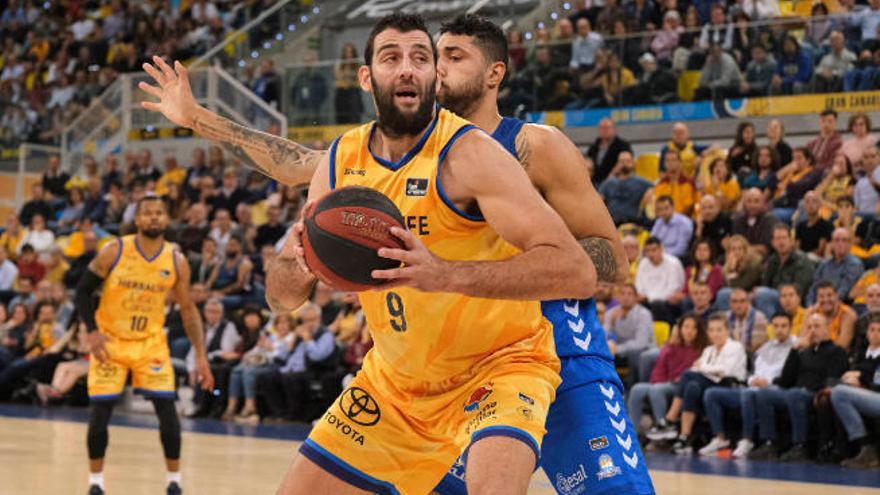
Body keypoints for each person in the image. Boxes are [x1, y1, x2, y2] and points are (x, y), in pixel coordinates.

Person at [142, 13, 607, 495]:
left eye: (420, 58)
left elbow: (575, 270)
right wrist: (298, 267)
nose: (407, 68)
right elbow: (280, 300)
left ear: (434, 76)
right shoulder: (343, 161)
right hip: (396, 383)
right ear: (366, 78)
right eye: (391, 58)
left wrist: (442, 274)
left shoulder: (472, 155)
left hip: (500, 367)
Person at [74, 195, 214, 495]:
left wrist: (201, 356)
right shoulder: (114, 250)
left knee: (168, 410)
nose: (153, 218)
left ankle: (173, 481)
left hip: (150, 343)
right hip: (110, 342)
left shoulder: (176, 260)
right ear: (137, 219)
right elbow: (82, 292)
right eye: (147, 213)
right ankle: (96, 483)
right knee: (100, 414)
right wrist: (92, 331)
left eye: (159, 213)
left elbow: (188, 311)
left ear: (166, 219)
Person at [749, 313, 849, 462]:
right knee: (764, 394)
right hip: (794, 392)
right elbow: (785, 380)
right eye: (809, 327)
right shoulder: (804, 352)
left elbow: (833, 379)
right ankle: (769, 443)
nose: (812, 331)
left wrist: (808, 389)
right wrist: (794, 350)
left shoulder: (837, 351)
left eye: (817, 326)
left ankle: (800, 446)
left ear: (827, 328)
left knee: (795, 394)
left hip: (814, 393)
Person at [647, 313, 748, 454]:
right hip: (713, 383)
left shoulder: (734, 347)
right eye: (711, 330)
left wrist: (703, 368)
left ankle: (670, 419)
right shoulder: (709, 350)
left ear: (727, 331)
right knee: (691, 387)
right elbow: (700, 369)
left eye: (719, 330)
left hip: (732, 385)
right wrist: (703, 369)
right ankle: (685, 437)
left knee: (688, 375)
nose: (715, 334)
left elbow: (725, 371)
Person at [700, 312, 797, 458]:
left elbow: (788, 374)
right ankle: (719, 438)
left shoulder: (796, 346)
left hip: (776, 388)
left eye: (783, 326)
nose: (779, 330)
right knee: (711, 393)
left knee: (749, 393)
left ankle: (747, 440)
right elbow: (752, 371)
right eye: (776, 326)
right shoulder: (766, 346)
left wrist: (767, 382)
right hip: (753, 386)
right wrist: (753, 380)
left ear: (791, 327)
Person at [628, 315, 706, 435]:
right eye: (686, 327)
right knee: (637, 388)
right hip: (666, 382)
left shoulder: (702, 349)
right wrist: (659, 381)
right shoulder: (671, 346)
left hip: (681, 385)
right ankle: (633, 431)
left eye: (694, 328)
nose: (689, 331)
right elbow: (659, 369)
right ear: (680, 329)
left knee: (656, 390)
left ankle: (663, 427)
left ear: (699, 331)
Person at [830, 312, 880, 468]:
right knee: (836, 390)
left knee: (839, 393)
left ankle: (866, 446)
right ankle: (853, 448)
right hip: (871, 394)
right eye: (872, 330)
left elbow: (877, 383)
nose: (875, 334)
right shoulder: (861, 352)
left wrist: (860, 379)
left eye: (879, 330)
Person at [605, 284, 655, 385]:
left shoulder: (643, 314)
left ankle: (632, 388)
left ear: (636, 298)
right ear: (618, 297)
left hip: (643, 350)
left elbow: (641, 343)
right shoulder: (611, 313)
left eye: (630, 294)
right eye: (622, 294)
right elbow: (604, 338)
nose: (625, 297)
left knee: (634, 353)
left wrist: (617, 349)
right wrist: (611, 323)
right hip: (618, 353)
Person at [808, 228, 865, 305]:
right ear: (832, 243)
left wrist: (823, 304)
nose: (840, 243)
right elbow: (813, 288)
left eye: (844, 240)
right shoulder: (824, 264)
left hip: (840, 306)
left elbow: (844, 291)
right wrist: (810, 306)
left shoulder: (855, 265)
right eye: (837, 240)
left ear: (850, 244)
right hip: (819, 305)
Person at [636, 237, 686, 323]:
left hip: (667, 302)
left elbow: (673, 289)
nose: (651, 254)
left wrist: (651, 298)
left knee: (658, 305)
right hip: (648, 300)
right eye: (648, 251)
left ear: (661, 249)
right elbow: (639, 287)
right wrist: (645, 297)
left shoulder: (673, 263)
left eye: (654, 250)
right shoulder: (643, 264)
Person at [598, 151, 653, 225]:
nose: (624, 163)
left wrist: (649, 195)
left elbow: (656, 188)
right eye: (622, 161)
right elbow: (598, 199)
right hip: (611, 222)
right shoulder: (609, 182)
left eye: (628, 161)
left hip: (631, 222)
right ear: (617, 164)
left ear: (633, 163)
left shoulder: (641, 182)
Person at [586, 118, 632, 186]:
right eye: (602, 128)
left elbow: (627, 163)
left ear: (614, 129)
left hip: (616, 183)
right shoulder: (593, 147)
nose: (604, 130)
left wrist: (610, 178)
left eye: (607, 127)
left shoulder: (623, 145)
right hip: (595, 183)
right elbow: (588, 162)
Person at [732, 188, 777, 256]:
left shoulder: (770, 220)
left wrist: (741, 250)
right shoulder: (738, 220)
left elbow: (764, 249)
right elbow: (735, 244)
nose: (752, 205)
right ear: (744, 203)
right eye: (749, 201)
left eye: (756, 201)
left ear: (763, 203)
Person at [655, 149, 698, 216]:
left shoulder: (688, 183)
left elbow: (689, 208)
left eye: (673, 160)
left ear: (680, 162)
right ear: (664, 164)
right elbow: (657, 207)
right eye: (667, 160)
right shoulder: (660, 184)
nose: (670, 163)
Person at [795, 191, 834, 261]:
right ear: (804, 205)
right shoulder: (800, 226)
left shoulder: (826, 225)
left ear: (820, 205)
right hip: (801, 259)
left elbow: (820, 250)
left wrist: (805, 257)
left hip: (817, 260)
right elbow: (797, 246)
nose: (810, 205)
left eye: (814, 201)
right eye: (807, 202)